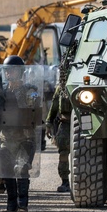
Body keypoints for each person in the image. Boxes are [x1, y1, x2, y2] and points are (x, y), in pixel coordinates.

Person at [0, 56, 42, 212]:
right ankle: (11, 204)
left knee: (21, 168)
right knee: (6, 170)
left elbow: (35, 111)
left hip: (25, 139)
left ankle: (22, 205)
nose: (9, 73)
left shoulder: (29, 91)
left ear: (20, 72)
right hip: (7, 139)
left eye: (12, 70)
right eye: (7, 70)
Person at [46, 45, 75, 193]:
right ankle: (65, 181)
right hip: (65, 123)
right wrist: (49, 123)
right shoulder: (61, 88)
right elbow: (54, 107)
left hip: (81, 124)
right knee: (63, 153)